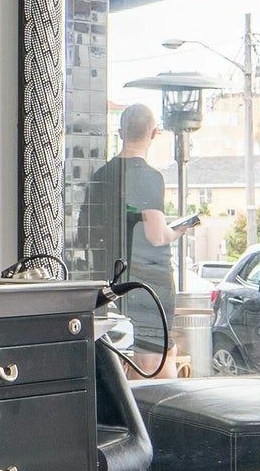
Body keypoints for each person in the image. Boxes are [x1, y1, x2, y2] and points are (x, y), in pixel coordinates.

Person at [81, 101, 190, 371]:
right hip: (149, 281)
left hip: (111, 277)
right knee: (154, 357)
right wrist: (178, 230)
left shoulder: (101, 176)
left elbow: (85, 231)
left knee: (156, 352)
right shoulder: (149, 177)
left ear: (120, 133)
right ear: (153, 133)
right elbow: (156, 235)